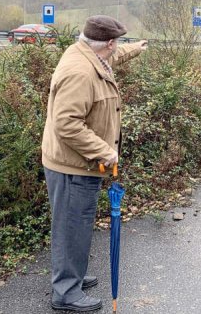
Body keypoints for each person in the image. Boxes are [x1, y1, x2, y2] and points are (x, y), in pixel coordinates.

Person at [42, 15, 147, 311]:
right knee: (71, 227)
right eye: (118, 45)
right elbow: (66, 124)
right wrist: (105, 151)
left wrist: (137, 48)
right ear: (109, 44)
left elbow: (114, 58)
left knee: (75, 224)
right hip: (72, 166)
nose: (117, 49)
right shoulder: (81, 72)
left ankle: (71, 274)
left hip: (76, 163)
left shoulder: (88, 53)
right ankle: (66, 292)